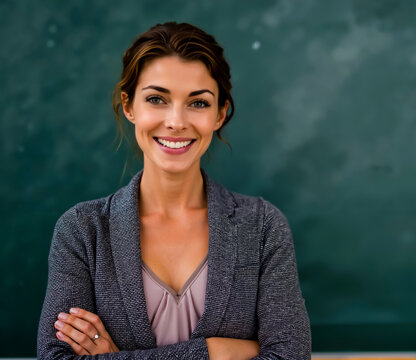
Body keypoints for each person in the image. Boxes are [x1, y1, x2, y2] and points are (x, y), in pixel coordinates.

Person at [37, 22, 311, 359]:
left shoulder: (264, 227)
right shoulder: (82, 230)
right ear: (129, 106)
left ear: (220, 114)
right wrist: (215, 351)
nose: (177, 121)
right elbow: (55, 358)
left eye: (198, 103)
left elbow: (290, 356)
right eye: (156, 99)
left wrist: (114, 356)